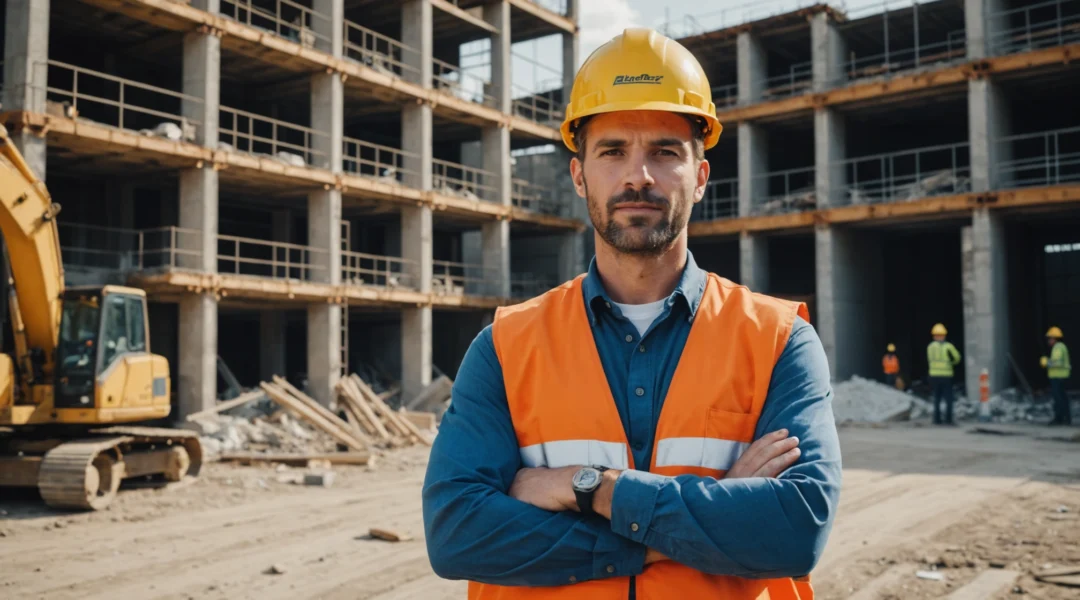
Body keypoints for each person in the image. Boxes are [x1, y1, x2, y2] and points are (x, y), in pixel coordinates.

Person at [422, 28, 841, 599]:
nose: (637, 175)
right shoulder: (505, 344)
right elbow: (458, 534)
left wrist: (588, 488)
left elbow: (793, 530)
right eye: (613, 150)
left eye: (665, 152)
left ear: (699, 178)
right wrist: (709, 512)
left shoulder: (779, 339)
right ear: (579, 175)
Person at [927, 323, 961, 425]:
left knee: (936, 398)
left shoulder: (930, 347)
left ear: (934, 336)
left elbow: (930, 359)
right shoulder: (948, 346)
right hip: (946, 375)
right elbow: (957, 358)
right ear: (944, 335)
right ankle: (948, 419)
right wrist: (951, 363)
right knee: (948, 398)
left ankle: (936, 420)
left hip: (933, 375)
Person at [1041, 326, 1071, 425]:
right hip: (1061, 376)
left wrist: (1046, 362)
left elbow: (1056, 362)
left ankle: (1059, 418)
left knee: (1058, 398)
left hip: (1058, 376)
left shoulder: (1058, 348)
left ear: (1055, 338)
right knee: (1062, 398)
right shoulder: (1061, 347)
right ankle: (1066, 418)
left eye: (1050, 338)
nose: (1049, 341)